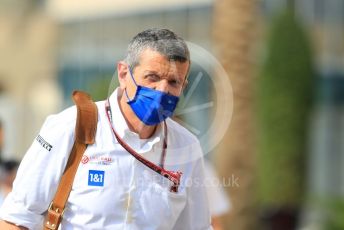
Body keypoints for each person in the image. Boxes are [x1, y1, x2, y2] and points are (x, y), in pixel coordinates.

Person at [0, 28, 212, 229]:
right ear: (123, 74)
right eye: (152, 77)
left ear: (183, 86)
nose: (162, 90)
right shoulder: (70, 126)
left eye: (174, 82)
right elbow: (16, 218)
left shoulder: (186, 147)